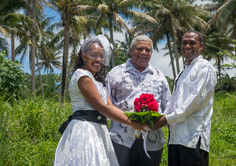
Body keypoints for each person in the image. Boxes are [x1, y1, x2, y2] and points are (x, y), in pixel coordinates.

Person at [54, 35, 149, 166]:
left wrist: (135, 118)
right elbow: (102, 108)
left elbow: (111, 107)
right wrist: (132, 123)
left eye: (101, 56)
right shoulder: (82, 76)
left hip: (99, 130)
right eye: (94, 55)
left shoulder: (97, 82)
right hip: (86, 130)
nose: (98, 59)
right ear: (84, 56)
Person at [105, 35, 171, 166]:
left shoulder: (159, 75)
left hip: (152, 140)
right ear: (131, 50)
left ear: (151, 53)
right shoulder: (115, 73)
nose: (143, 53)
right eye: (139, 49)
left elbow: (168, 106)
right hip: (121, 139)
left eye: (148, 50)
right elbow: (106, 106)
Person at [154, 30, 217, 166]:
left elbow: (193, 103)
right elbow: (173, 101)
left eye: (192, 43)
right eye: (184, 43)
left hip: (193, 137)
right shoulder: (182, 72)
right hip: (175, 137)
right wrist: (158, 117)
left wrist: (165, 120)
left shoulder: (205, 68)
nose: (187, 46)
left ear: (201, 46)